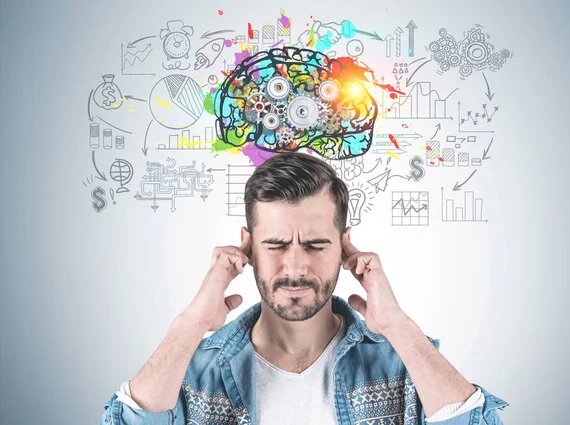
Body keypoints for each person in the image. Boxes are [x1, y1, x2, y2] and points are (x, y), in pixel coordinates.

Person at [100, 152, 509, 425]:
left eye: (315, 245)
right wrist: (190, 324)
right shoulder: (192, 373)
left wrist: (399, 326)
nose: (295, 266)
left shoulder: (401, 364)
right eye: (275, 245)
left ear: (345, 246)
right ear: (248, 246)